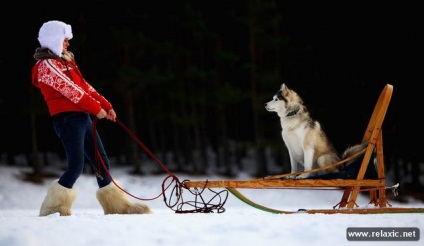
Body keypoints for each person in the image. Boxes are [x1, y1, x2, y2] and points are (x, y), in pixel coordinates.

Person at [32, 20, 151, 216]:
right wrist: (96, 108)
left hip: (81, 116)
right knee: (76, 165)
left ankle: (116, 206)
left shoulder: (66, 61)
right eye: (64, 40)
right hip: (67, 120)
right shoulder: (47, 66)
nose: (68, 44)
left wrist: (106, 105)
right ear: (54, 40)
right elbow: (71, 91)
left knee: (101, 160)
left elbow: (84, 86)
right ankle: (53, 208)